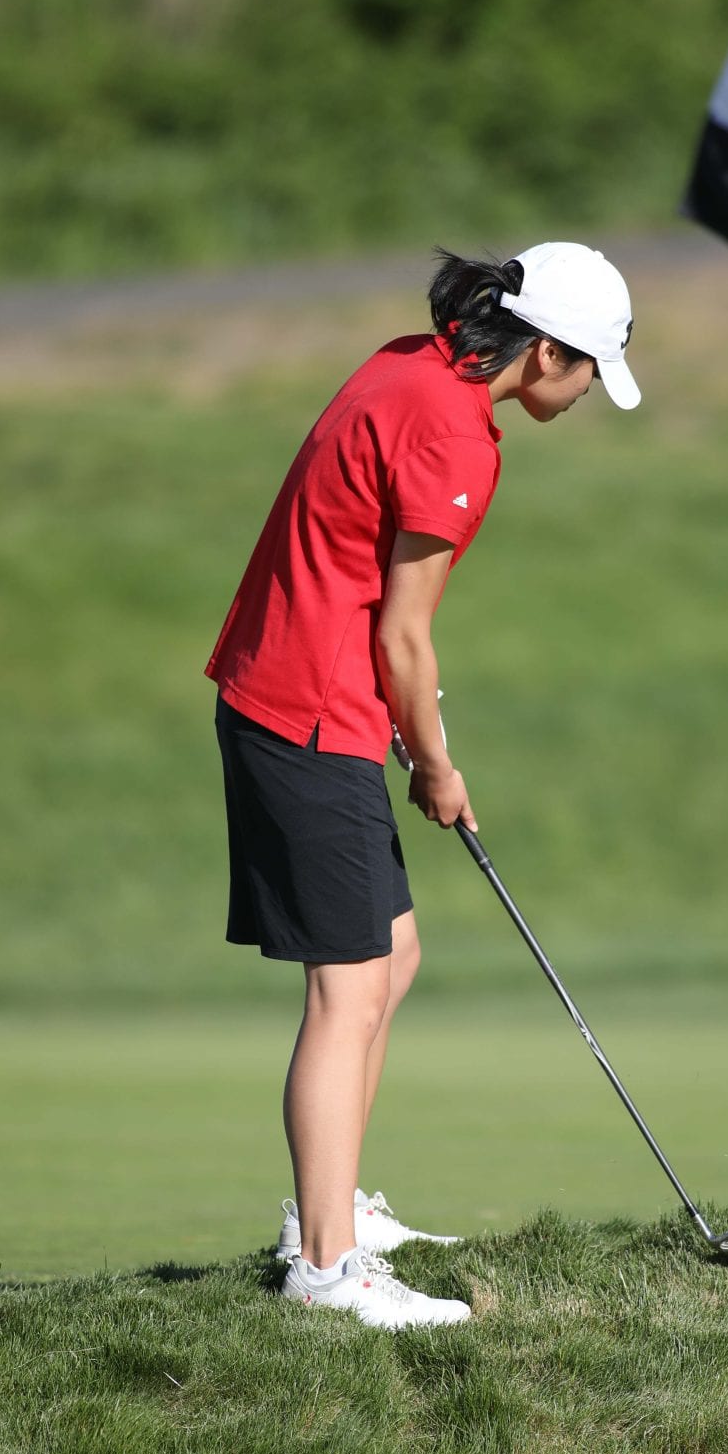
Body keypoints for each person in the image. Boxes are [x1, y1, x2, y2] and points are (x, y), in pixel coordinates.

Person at [207, 242, 640, 1330]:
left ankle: (335, 1207)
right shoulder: (456, 433)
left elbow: (364, 592)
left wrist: (403, 730)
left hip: (306, 695)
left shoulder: (413, 364)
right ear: (545, 351)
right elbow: (404, 633)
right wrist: (437, 764)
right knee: (345, 989)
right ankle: (324, 1267)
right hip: (305, 712)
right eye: (589, 370)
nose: (588, 393)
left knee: (390, 957)